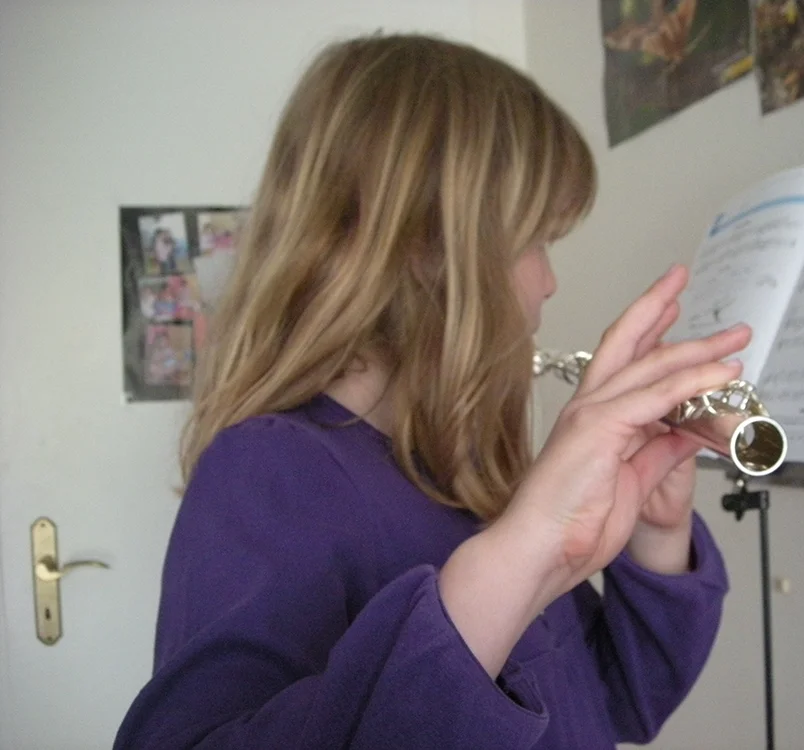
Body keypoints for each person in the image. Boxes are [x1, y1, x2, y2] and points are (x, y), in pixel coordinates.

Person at [114, 33, 751, 749]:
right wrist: (511, 564)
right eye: (535, 241)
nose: (549, 282)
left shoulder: (468, 474)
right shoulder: (268, 471)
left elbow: (617, 704)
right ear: (426, 246)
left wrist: (657, 533)